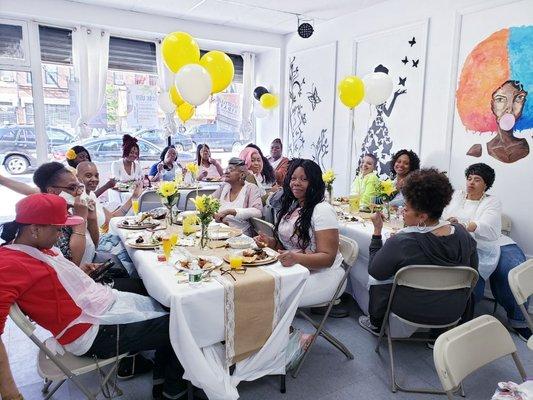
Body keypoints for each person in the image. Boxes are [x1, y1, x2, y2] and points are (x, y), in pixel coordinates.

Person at [0, 194, 188, 399]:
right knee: (181, 326)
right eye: (57, 229)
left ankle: (161, 379)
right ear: (35, 229)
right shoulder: (9, 265)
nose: (60, 234)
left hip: (92, 312)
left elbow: (51, 282)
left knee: (166, 303)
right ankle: (172, 392)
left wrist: (80, 275)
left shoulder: (34, 247)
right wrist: (11, 394)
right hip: (90, 333)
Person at [358, 168, 478, 336]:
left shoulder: (401, 242)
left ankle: (376, 324)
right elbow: (472, 273)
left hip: (409, 309)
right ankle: (436, 337)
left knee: (382, 281)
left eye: (405, 209)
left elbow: (375, 271)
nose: (402, 212)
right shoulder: (463, 235)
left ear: (422, 217)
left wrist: (377, 233)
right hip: (452, 311)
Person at [442, 163, 530, 341]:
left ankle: (519, 321)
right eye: (469, 178)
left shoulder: (492, 201)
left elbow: (488, 227)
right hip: (466, 243)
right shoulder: (456, 196)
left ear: (486, 184)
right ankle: (461, 321)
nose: (471, 182)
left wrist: (465, 225)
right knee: (472, 276)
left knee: (512, 270)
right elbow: (443, 215)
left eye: (477, 179)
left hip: (497, 242)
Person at [253, 158, 343, 308]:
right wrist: (270, 242)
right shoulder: (294, 206)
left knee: (265, 296)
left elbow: (328, 258)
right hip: (299, 269)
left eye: (304, 179)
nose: (296, 183)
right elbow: (289, 245)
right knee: (256, 283)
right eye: (293, 178)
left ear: (314, 182)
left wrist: (296, 258)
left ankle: (289, 331)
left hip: (325, 275)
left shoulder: (322, 210)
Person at [212, 158, 262, 237]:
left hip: (241, 235)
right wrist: (216, 216)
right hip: (220, 231)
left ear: (242, 175)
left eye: (231, 170)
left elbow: (258, 212)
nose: (226, 172)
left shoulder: (251, 188)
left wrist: (230, 211)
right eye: (227, 169)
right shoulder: (224, 187)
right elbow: (208, 203)